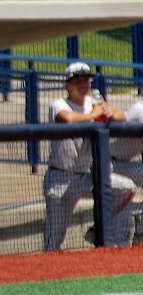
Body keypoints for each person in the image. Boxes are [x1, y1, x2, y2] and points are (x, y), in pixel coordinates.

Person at [43, 61, 136, 251]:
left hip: (88, 176)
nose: (84, 85)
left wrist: (108, 112)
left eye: (86, 80)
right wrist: (93, 114)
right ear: (67, 85)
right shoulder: (59, 104)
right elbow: (67, 119)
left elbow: (122, 116)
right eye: (78, 81)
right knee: (54, 241)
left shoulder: (92, 100)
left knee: (126, 188)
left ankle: (99, 229)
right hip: (62, 177)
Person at [110, 97, 143, 242]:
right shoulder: (139, 110)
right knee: (121, 232)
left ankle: (140, 234)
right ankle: (99, 226)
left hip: (124, 163)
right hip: (105, 161)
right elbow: (119, 116)